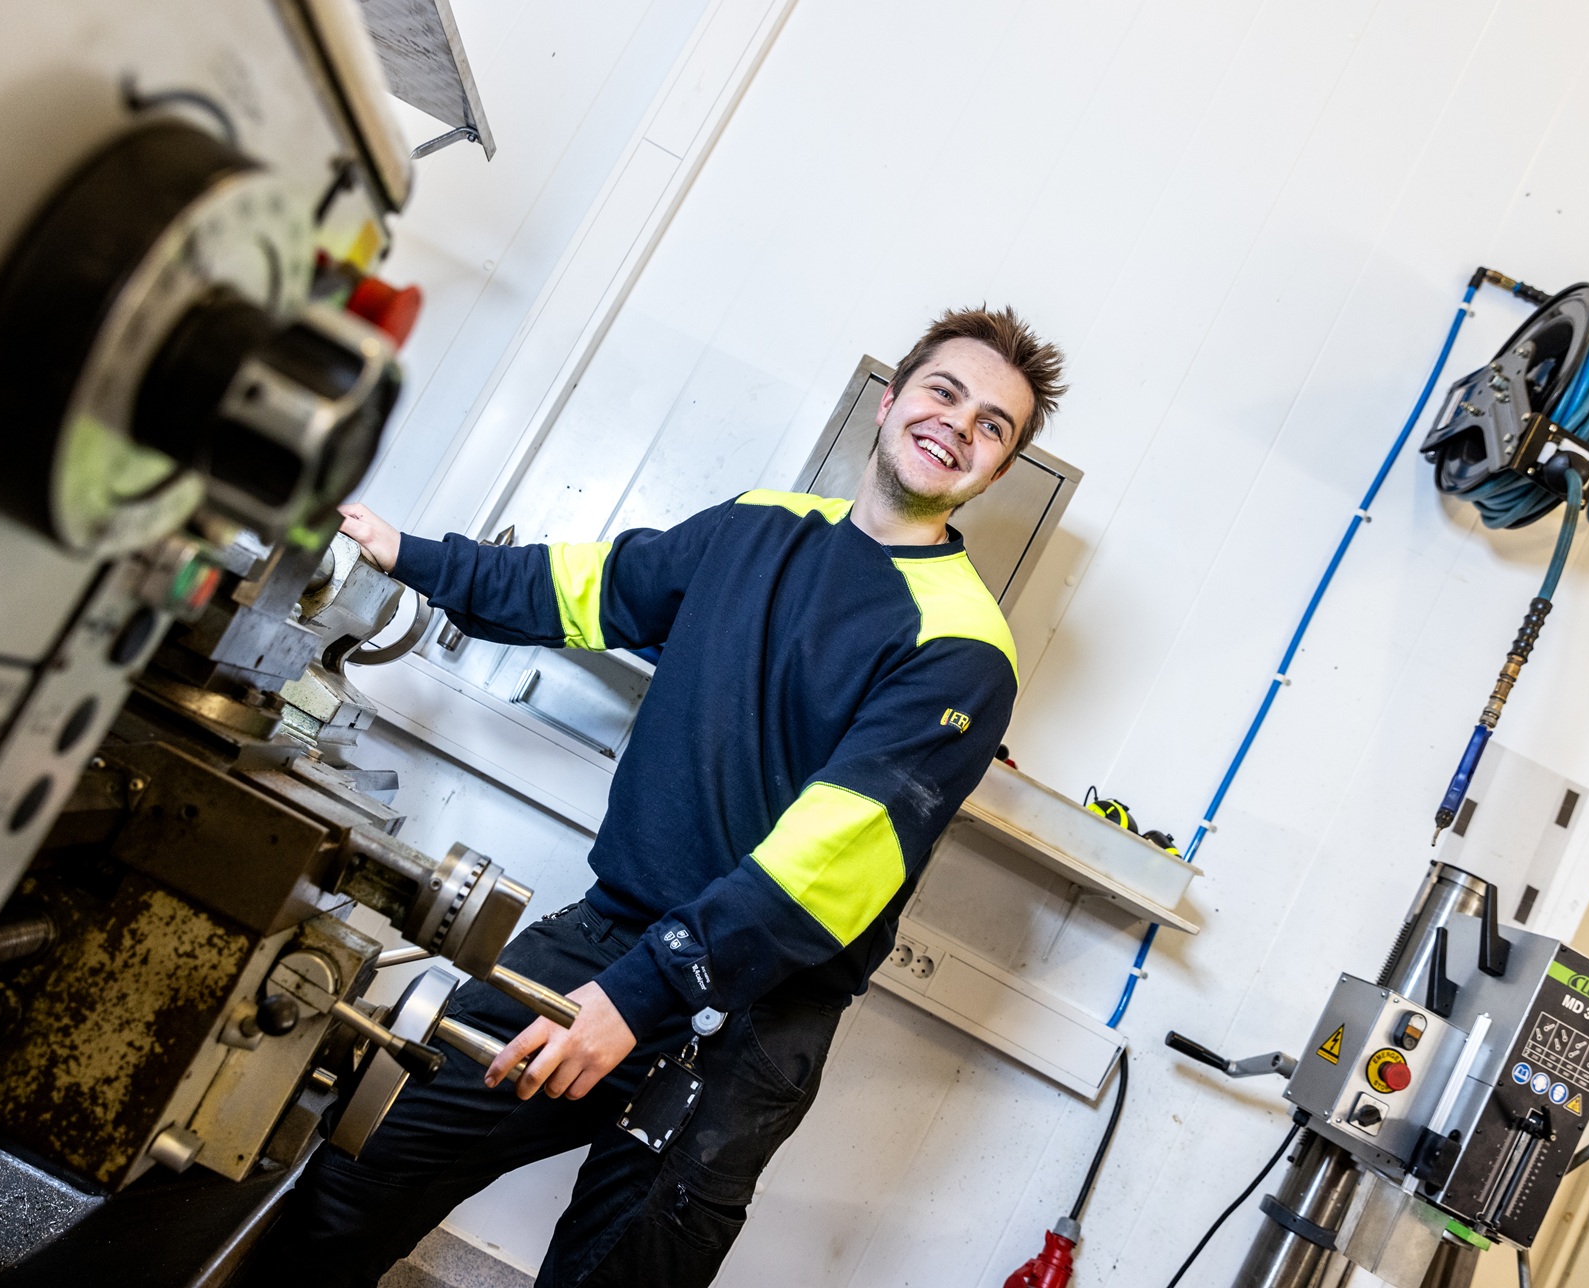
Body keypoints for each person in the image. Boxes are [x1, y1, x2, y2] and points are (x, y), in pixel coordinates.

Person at [252, 305, 1067, 1287]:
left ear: (997, 469)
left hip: (751, 1020)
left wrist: (644, 996)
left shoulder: (964, 649)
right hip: (612, 938)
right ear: (891, 401)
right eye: (945, 392)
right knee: (362, 1169)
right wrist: (411, 555)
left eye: (992, 425)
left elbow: (827, 864)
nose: (958, 426)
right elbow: (583, 587)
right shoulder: (760, 525)